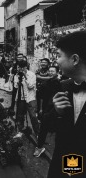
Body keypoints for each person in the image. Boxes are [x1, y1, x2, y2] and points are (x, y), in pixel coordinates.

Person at [48, 31, 86, 178]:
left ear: (74, 59)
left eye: (58, 55)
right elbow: (48, 126)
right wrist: (56, 112)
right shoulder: (62, 86)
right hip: (63, 165)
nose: (56, 61)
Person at [33, 66, 61, 157]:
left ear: (57, 72)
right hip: (46, 109)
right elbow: (40, 97)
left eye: (53, 71)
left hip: (56, 109)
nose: (51, 72)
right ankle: (39, 147)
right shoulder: (46, 83)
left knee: (56, 130)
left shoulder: (61, 84)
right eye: (50, 71)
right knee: (43, 128)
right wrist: (40, 108)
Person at [14, 60, 39, 137]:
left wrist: (25, 76)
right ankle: (21, 131)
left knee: (33, 116)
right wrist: (17, 81)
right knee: (20, 116)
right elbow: (15, 87)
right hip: (21, 98)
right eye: (18, 67)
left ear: (25, 67)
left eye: (21, 67)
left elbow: (31, 86)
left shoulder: (31, 75)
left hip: (30, 98)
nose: (20, 69)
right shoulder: (17, 75)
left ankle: (38, 133)